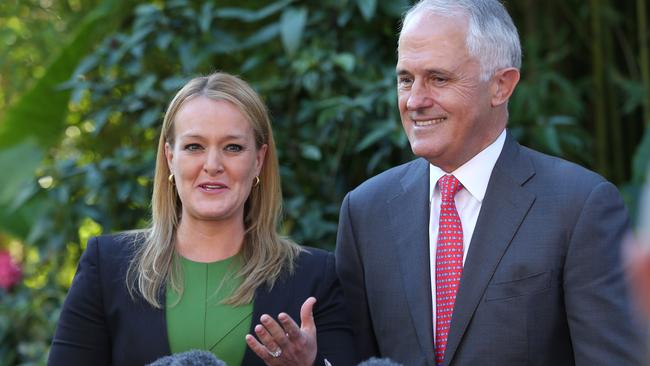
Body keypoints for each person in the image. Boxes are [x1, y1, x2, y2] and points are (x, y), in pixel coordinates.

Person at [335, 1, 645, 365]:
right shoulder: (366, 210)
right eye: (406, 80)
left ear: (501, 85)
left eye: (439, 78)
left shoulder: (578, 207)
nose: (415, 101)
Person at [49, 72, 357, 366]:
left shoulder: (314, 277)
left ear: (259, 160)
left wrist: (310, 363)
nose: (213, 165)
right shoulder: (108, 267)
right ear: (170, 157)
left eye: (232, 147)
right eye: (194, 146)